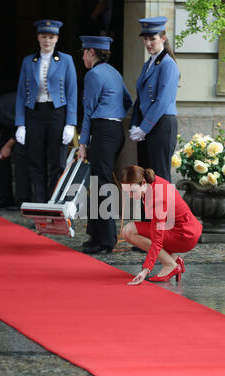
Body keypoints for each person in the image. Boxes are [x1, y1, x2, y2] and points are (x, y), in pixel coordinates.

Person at [78, 35, 133, 254]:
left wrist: (82, 142)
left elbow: (88, 111)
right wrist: (115, 113)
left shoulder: (93, 74)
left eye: (83, 52)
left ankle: (107, 239)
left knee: (100, 184)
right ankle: (95, 235)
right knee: (99, 181)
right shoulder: (114, 73)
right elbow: (128, 101)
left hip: (102, 130)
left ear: (91, 52)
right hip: (115, 131)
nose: (82, 56)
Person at [15, 20, 77, 203]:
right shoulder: (28, 61)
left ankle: (54, 203)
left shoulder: (66, 60)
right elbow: (20, 94)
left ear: (57, 38)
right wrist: (20, 124)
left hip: (56, 113)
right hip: (34, 114)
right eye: (44, 36)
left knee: (57, 162)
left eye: (51, 37)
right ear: (38, 37)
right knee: (35, 161)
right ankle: (40, 204)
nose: (47, 40)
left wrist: (70, 123)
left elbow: (72, 92)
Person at [120, 165, 203, 285]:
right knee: (131, 230)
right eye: (127, 192)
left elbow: (157, 239)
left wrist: (145, 270)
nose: (130, 196)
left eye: (132, 191)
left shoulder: (157, 198)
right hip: (182, 230)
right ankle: (172, 260)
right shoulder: (150, 182)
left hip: (184, 236)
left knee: (129, 231)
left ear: (143, 182)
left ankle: (170, 264)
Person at [129, 16, 180, 183]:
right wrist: (135, 124)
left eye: (153, 38)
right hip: (148, 125)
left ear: (163, 38)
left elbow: (163, 101)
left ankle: (164, 211)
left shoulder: (168, 64)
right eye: (146, 39)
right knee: (145, 178)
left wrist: (143, 128)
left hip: (161, 125)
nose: (149, 43)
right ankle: (148, 211)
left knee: (159, 178)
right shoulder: (148, 64)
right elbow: (140, 98)